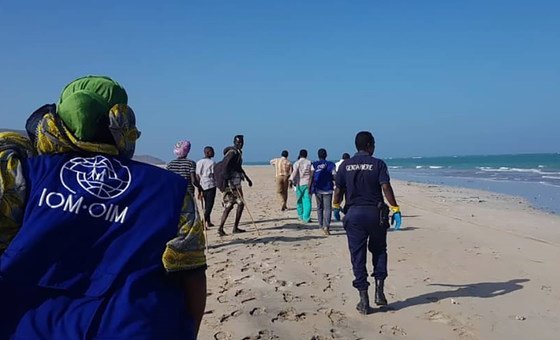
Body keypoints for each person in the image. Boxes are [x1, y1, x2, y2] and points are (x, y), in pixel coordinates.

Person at [0, 76, 207, 339]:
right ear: (121, 120)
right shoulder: (172, 189)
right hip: (134, 326)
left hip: (25, 324)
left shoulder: (20, 174)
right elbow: (192, 272)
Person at [333, 131, 402, 315]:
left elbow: (338, 190)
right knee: (379, 250)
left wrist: (335, 206)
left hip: (354, 215)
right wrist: (395, 208)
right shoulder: (378, 164)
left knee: (358, 255)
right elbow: (385, 187)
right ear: (370, 145)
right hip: (375, 214)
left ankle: (364, 300)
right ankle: (379, 291)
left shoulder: (344, 165)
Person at [216, 135, 253, 236]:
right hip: (231, 183)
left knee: (236, 204)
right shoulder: (232, 153)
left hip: (235, 182)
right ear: (234, 142)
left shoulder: (238, 153)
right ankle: (222, 228)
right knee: (234, 204)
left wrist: (247, 178)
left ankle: (233, 227)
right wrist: (229, 182)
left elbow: (238, 167)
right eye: (238, 142)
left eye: (241, 142)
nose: (240, 144)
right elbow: (225, 167)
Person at [310, 148, 336, 235]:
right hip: (328, 189)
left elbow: (311, 177)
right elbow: (334, 176)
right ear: (326, 155)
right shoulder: (331, 164)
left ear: (318, 155)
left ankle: (321, 225)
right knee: (328, 208)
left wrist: (309, 188)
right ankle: (326, 226)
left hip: (317, 188)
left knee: (319, 207)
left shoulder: (314, 164)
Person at [289, 149, 313, 223]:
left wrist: (291, 180)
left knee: (299, 200)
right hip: (308, 183)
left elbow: (294, 172)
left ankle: (300, 216)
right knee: (307, 201)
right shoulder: (309, 162)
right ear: (306, 155)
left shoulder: (297, 163)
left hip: (299, 184)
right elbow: (312, 173)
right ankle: (306, 217)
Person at [196, 146, 217, 229]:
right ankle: (203, 222)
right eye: (212, 151)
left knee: (206, 204)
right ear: (207, 152)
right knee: (209, 205)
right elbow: (214, 175)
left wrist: (199, 188)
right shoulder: (212, 163)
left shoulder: (199, 162)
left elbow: (197, 175)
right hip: (210, 185)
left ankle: (208, 221)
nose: (214, 153)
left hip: (202, 185)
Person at [333, 152, 351, 221]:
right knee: (348, 200)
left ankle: (336, 216)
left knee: (338, 200)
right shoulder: (349, 164)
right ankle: (347, 214)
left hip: (338, 185)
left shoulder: (336, 164)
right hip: (347, 185)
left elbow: (334, 175)